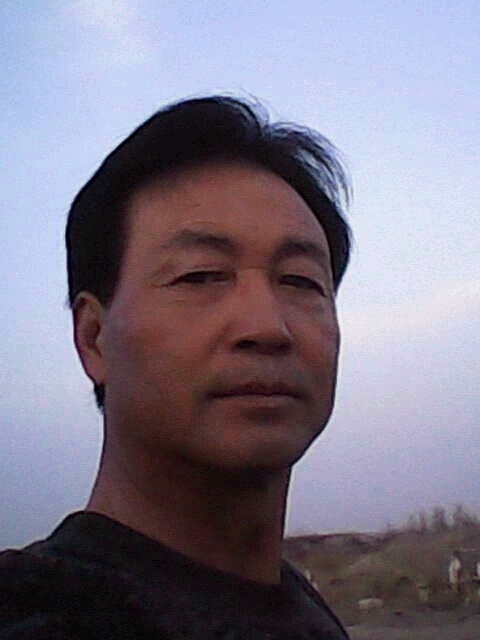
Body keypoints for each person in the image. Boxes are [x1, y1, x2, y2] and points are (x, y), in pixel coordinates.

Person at [0, 95, 352, 639]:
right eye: (200, 276)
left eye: (301, 281)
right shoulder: (43, 613)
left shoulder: (302, 608)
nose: (268, 327)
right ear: (94, 338)